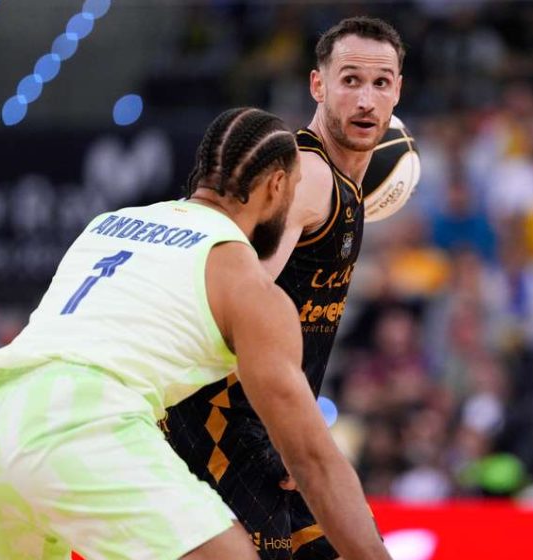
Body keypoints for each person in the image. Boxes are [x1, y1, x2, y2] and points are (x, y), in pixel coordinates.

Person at [0, 107, 391, 560]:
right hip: (73, 420)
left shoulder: (107, 225)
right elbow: (313, 464)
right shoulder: (248, 285)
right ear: (276, 187)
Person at [167, 16, 404, 560]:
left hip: (265, 433)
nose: (366, 99)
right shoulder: (309, 176)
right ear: (318, 85)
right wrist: (290, 433)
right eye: (350, 81)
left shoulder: (339, 183)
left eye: (381, 83)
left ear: (398, 93)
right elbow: (234, 302)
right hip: (233, 431)